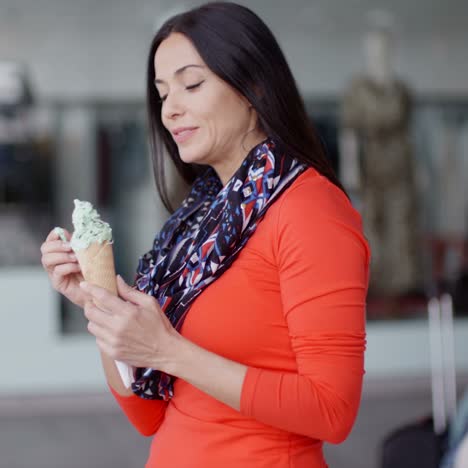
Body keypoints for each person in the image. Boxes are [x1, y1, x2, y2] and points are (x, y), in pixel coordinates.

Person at [40, 2, 371, 467]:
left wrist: (170, 351)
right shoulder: (200, 219)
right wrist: (99, 302)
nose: (170, 109)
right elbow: (148, 416)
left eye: (192, 84)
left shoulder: (311, 211)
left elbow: (332, 411)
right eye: (161, 93)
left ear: (254, 88)